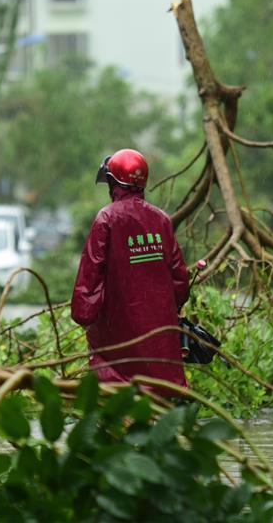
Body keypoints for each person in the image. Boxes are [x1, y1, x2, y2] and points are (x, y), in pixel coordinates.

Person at [71, 149, 190, 395]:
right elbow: (179, 280)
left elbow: (89, 279)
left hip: (116, 337)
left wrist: (84, 314)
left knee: (119, 401)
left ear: (113, 182)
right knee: (162, 396)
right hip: (160, 337)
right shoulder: (162, 220)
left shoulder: (106, 219)